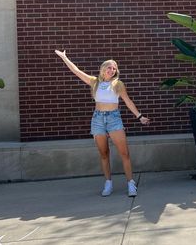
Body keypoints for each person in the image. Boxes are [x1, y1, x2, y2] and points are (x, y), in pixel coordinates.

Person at [55, 50, 150, 197]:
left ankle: (131, 184)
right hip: (98, 119)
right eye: (110, 67)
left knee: (124, 153)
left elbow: (128, 101)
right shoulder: (95, 82)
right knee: (104, 154)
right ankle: (108, 183)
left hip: (114, 119)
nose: (112, 70)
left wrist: (139, 116)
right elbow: (76, 71)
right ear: (103, 68)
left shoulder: (118, 84)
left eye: (114, 68)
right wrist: (64, 57)